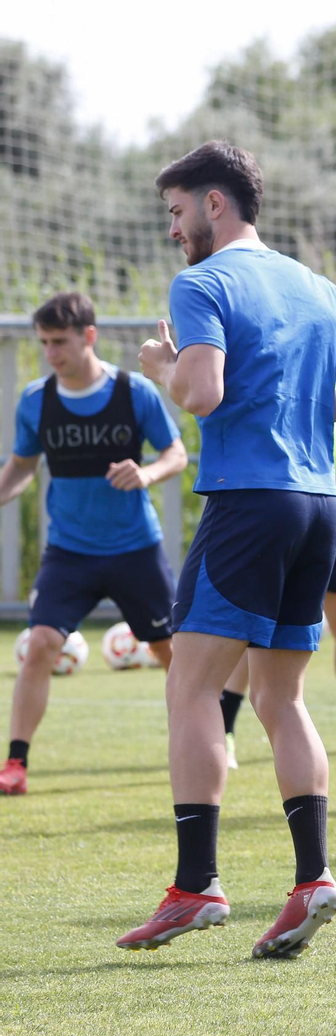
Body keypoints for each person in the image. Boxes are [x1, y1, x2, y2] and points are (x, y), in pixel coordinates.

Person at [117, 141, 336, 957]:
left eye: (175, 211)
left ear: (214, 204)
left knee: (192, 688)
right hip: (314, 507)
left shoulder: (203, 283)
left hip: (247, 504)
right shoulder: (318, 285)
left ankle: (195, 885)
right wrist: (300, 415)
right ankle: (313, 877)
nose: (172, 230)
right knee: (281, 697)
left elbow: (201, 393)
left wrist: (164, 367)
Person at [0, 292, 187, 797]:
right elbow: (21, 466)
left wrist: (145, 472)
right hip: (69, 552)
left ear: (88, 336)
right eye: (43, 343)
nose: (50, 353)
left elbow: (176, 453)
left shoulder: (134, 392)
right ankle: (15, 763)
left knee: (175, 654)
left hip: (134, 548)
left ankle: (206, 743)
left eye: (59, 341)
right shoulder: (36, 400)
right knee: (40, 645)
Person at [218, 419, 336, 768]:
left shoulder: (334, 363)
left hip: (327, 508)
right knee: (252, 626)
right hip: (278, 504)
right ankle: (223, 733)